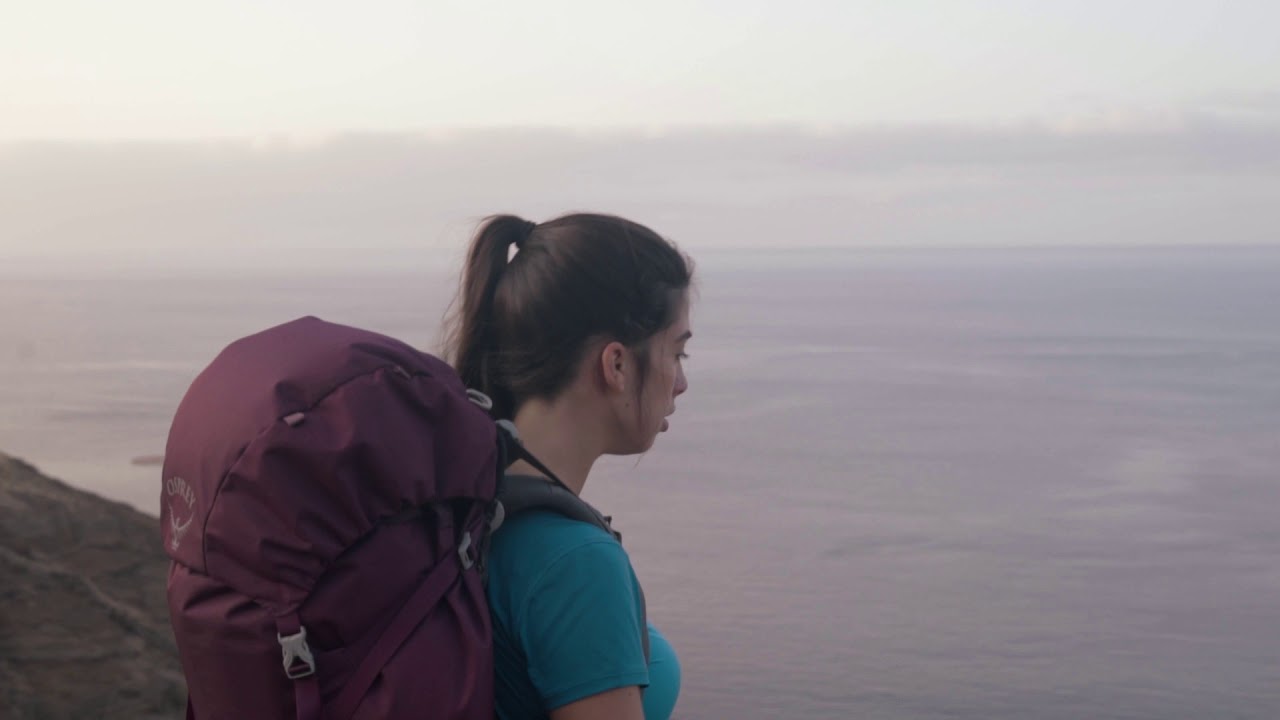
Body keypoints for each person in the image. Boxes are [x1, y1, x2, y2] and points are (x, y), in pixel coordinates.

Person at [444, 213, 694, 720]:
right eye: (677, 351)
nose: (681, 382)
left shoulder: (461, 499)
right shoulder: (573, 562)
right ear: (616, 364)